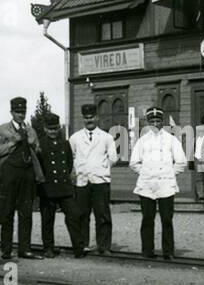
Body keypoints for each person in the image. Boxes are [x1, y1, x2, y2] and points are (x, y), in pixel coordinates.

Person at [0, 96, 45, 260]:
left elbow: (38, 150)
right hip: (10, 173)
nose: (21, 114)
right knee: (7, 212)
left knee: (26, 213)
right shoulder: (2, 130)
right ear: (11, 112)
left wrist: (34, 144)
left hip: (27, 174)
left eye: (23, 111)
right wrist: (12, 143)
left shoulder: (30, 129)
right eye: (18, 111)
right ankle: (6, 250)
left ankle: (25, 249)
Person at [130, 105, 187, 260]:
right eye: (152, 121)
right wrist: (147, 172)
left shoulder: (171, 140)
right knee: (147, 219)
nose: (155, 124)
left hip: (166, 185)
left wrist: (168, 173)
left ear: (162, 122)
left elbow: (181, 162)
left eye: (158, 120)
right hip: (147, 185)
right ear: (148, 122)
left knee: (167, 219)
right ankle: (147, 251)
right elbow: (134, 163)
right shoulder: (142, 141)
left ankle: (168, 252)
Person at [69, 103, 118, 257]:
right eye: (86, 117)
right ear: (83, 118)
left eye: (91, 117)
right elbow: (71, 158)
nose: (89, 120)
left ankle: (104, 246)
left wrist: (100, 168)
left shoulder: (106, 137)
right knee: (82, 214)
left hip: (100, 181)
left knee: (102, 215)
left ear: (97, 117)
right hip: (82, 181)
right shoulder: (75, 138)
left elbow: (113, 158)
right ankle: (83, 244)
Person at [35, 113, 81, 258]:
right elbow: (38, 166)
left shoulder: (65, 143)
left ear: (59, 128)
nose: (53, 132)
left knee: (74, 215)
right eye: (50, 129)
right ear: (45, 129)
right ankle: (48, 247)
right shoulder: (40, 144)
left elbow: (68, 163)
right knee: (47, 220)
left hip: (64, 187)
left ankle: (78, 247)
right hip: (48, 188)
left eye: (55, 129)